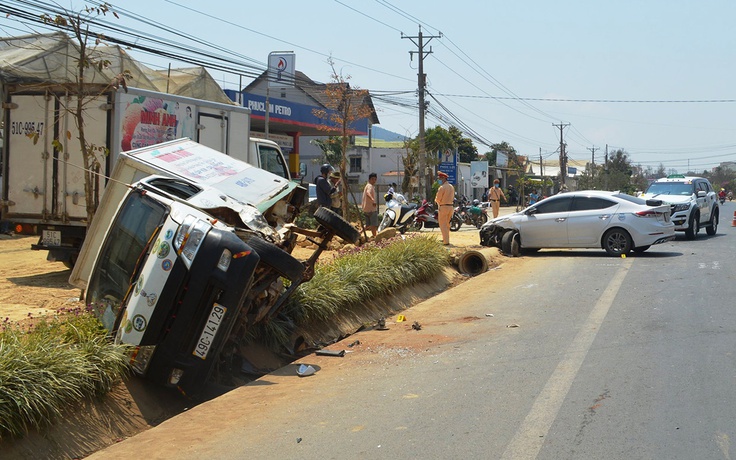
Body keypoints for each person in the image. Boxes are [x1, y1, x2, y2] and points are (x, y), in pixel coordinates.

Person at [434, 171, 455, 246]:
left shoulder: (442, 187)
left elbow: (438, 199)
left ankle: (446, 241)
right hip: (450, 207)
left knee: (443, 224)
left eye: (439, 178)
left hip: (443, 207)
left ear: (443, 178)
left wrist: (436, 201)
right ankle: (445, 238)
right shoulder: (451, 187)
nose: (439, 180)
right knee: (447, 224)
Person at [361, 173, 378, 237]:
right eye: (373, 179)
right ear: (369, 179)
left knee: (367, 225)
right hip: (371, 209)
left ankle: (358, 233)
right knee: (373, 225)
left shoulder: (367, 186)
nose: (374, 181)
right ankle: (375, 238)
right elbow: (368, 193)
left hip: (366, 209)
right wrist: (373, 200)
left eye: (375, 179)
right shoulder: (370, 186)